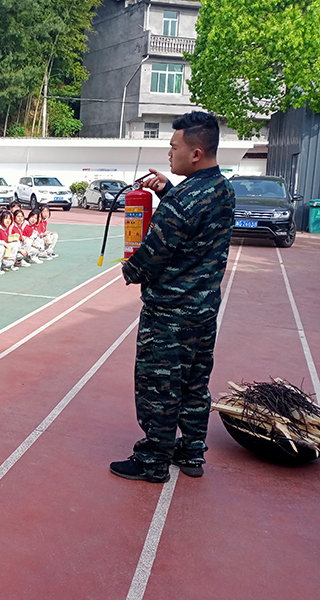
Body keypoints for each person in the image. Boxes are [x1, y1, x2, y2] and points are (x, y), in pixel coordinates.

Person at [110, 111, 236, 483]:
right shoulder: (222, 189)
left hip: (169, 314)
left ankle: (153, 460)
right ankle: (192, 451)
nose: (170, 152)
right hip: (203, 311)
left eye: (174, 146)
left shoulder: (183, 202)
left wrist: (130, 272)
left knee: (159, 385)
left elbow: (153, 254)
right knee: (195, 383)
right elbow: (194, 223)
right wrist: (167, 191)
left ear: (195, 153)